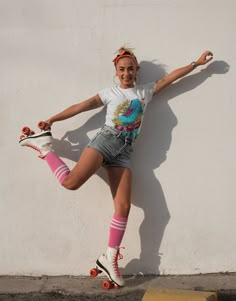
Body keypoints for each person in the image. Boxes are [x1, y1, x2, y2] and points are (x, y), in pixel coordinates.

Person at [19, 47, 213, 287]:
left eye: (130, 68)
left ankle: (109, 257)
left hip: (124, 152)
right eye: (122, 69)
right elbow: (82, 105)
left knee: (123, 207)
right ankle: (45, 148)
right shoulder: (110, 93)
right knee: (70, 183)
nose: (126, 73)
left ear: (136, 70)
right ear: (116, 71)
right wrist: (52, 120)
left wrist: (197, 64)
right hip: (106, 141)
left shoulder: (145, 91)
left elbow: (170, 78)